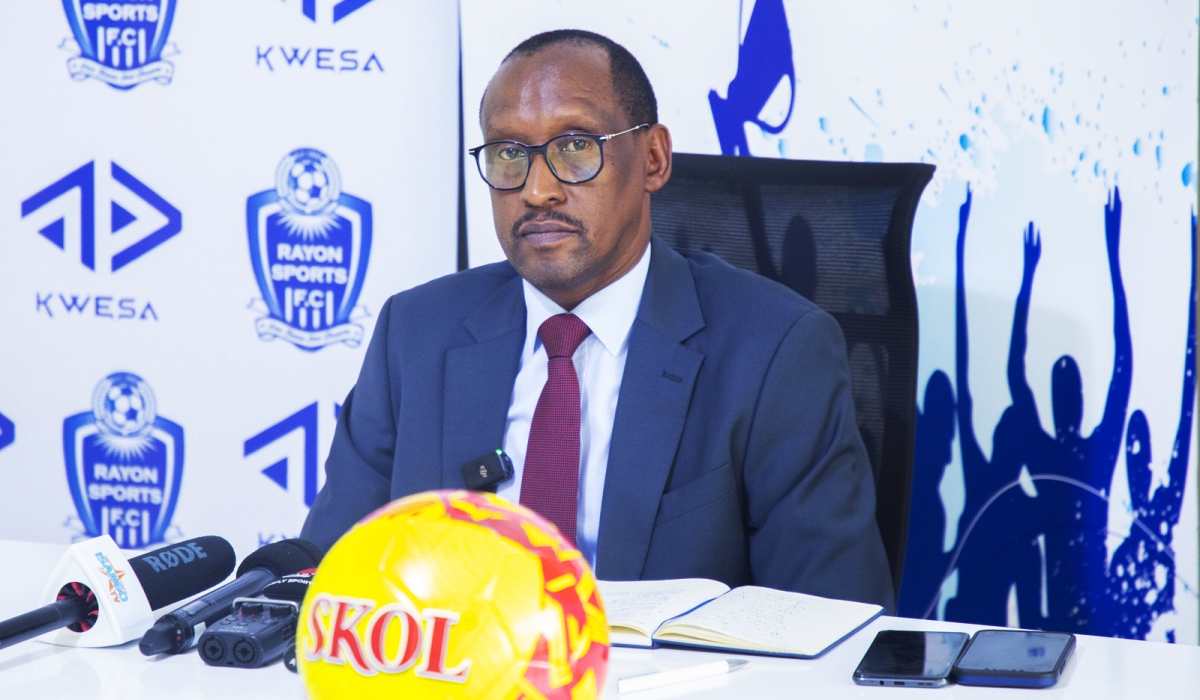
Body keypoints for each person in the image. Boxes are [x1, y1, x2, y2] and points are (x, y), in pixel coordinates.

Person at [300, 29, 893, 610]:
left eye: (575, 146)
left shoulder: (774, 352)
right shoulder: (416, 334)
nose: (537, 190)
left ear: (654, 159)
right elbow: (328, 581)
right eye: (509, 153)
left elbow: (829, 627)